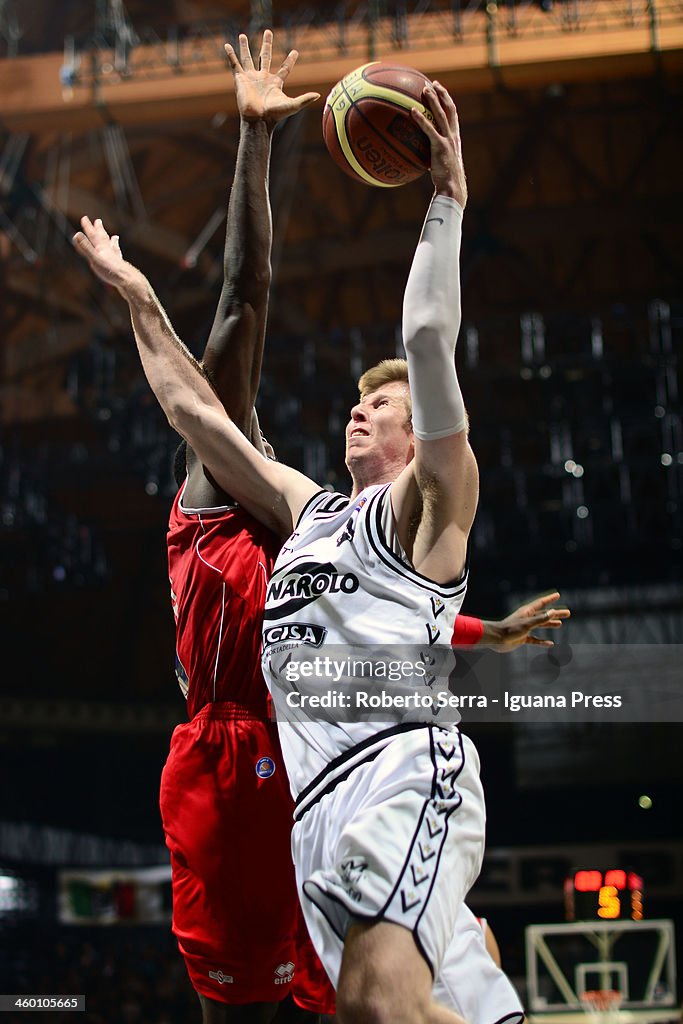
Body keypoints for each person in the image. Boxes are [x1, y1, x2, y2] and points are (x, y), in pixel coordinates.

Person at [73, 50, 568, 1024]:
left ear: (415, 430)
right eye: (356, 401)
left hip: (397, 771)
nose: (361, 412)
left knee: (376, 1002)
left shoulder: (431, 503)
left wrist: (447, 198)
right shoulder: (310, 512)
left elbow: (426, 341)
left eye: (380, 405)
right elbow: (197, 412)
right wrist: (132, 296)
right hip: (315, 813)